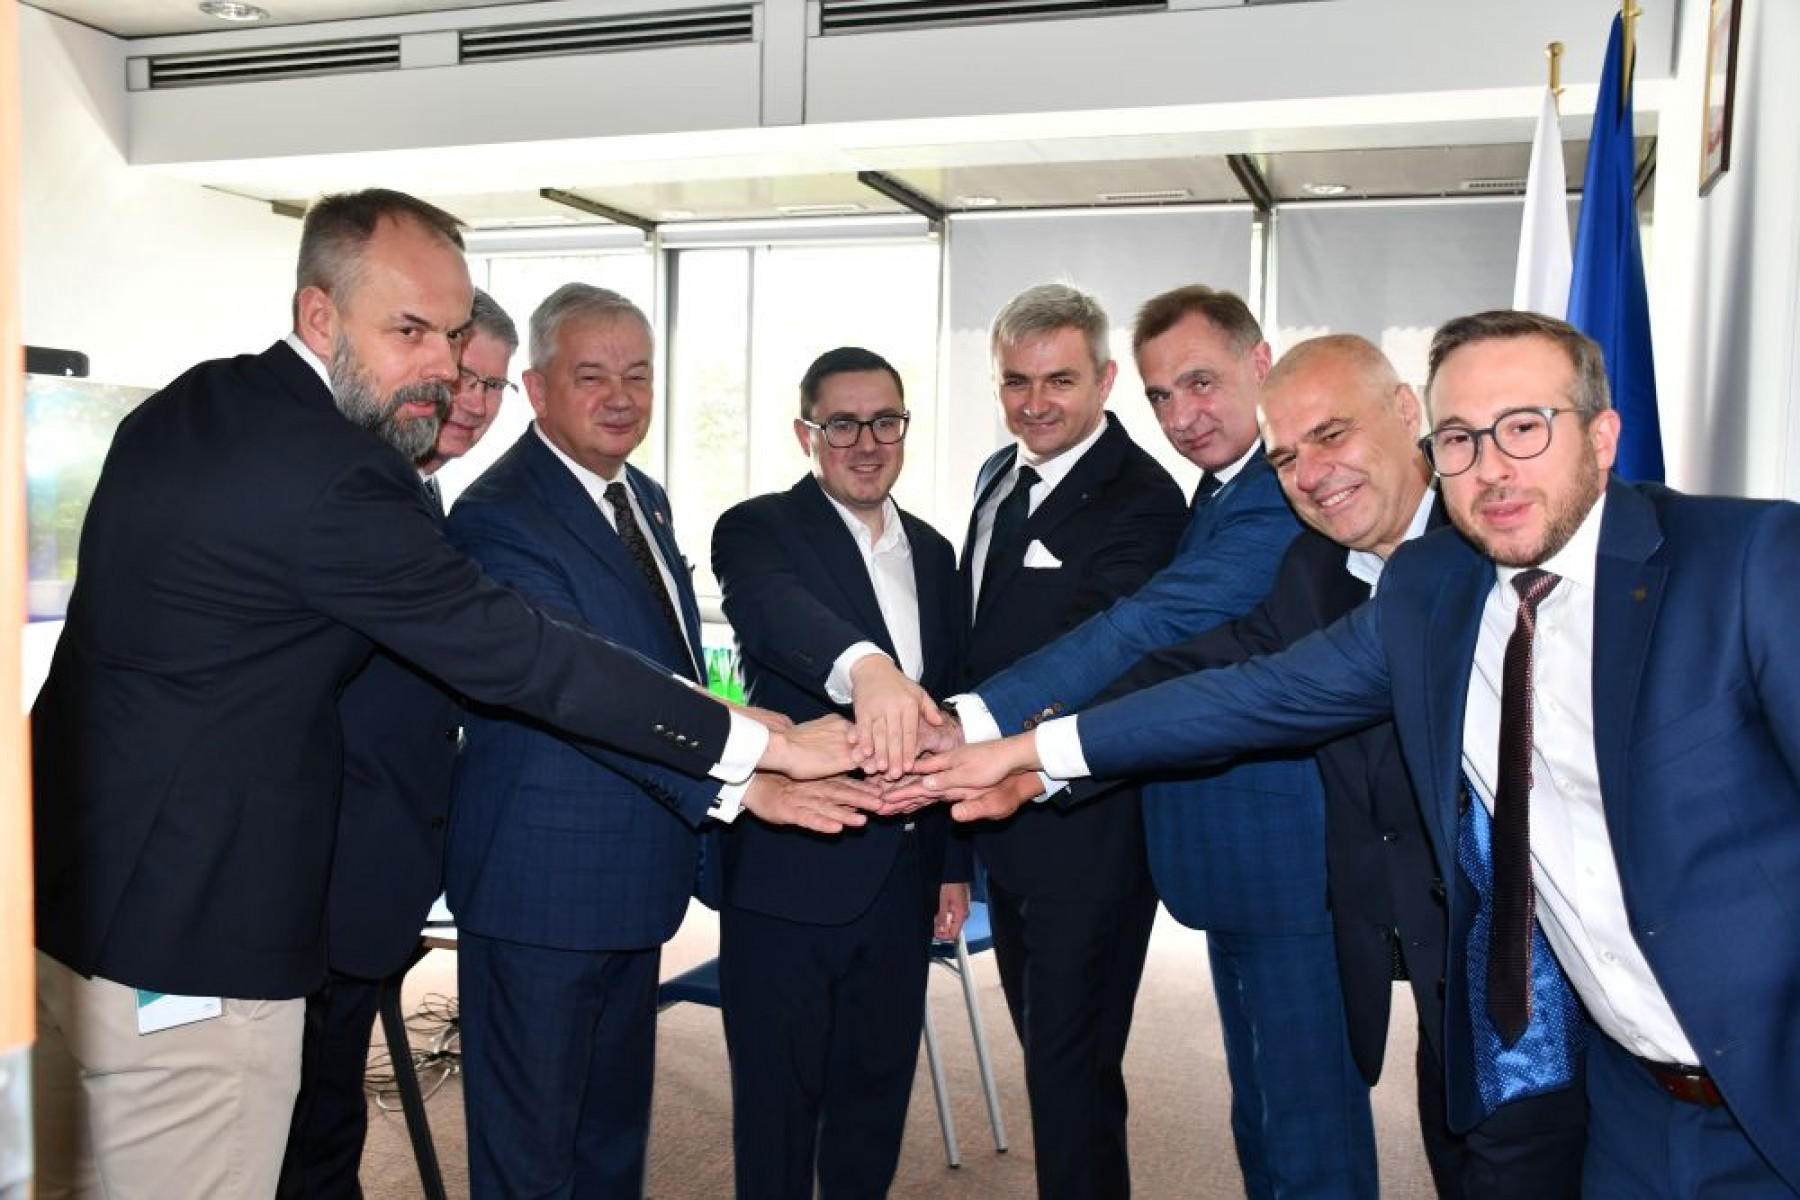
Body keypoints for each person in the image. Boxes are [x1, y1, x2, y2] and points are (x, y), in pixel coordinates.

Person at [29, 189, 864, 1200]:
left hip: (67, 893)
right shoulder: (342, 475)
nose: (442, 366)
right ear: (320, 316)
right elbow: (523, 655)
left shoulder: (199, 401)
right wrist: (757, 745)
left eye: (457, 334)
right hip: (195, 938)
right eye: (410, 331)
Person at [911, 310, 1800, 1199]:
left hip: (1763, 1070)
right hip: (1601, 1075)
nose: (1491, 468)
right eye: (1462, 439)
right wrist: (1033, 755)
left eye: (1523, 428)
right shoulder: (1434, 590)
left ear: (1601, 436)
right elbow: (1248, 691)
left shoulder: (1746, 562)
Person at [1059, 334, 1585, 1197]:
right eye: (1285, 457)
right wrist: (1045, 742)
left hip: (1561, 974)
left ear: (1407, 412)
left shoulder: (1494, 541)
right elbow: (1221, 671)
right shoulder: (1313, 567)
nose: (1309, 474)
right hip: (1444, 975)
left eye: (1332, 435)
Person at [950, 288, 1376, 1199]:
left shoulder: (1280, 497)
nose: (1183, 416)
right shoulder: (1220, 491)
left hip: (1289, 866)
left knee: (1309, 1133)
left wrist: (990, 730)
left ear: (1259, 365)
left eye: (1201, 383)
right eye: (1163, 396)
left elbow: (1152, 628)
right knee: (1264, 1119)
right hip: (1227, 859)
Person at [710, 346, 968, 1199]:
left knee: (874, 1100)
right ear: (806, 435)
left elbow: (953, 701)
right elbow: (776, 613)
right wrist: (867, 668)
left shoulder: (935, 553)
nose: (867, 442)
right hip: (793, 868)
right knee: (778, 1115)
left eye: (885, 421)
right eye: (843, 424)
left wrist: (953, 863)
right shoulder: (757, 530)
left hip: (905, 875)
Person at [277, 289, 519, 1200]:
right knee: (297, 1132)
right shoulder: (353, 494)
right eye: (460, 376)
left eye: (492, 386)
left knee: (328, 1116)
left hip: (376, 877)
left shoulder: (425, 498)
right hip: (311, 881)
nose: (472, 402)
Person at [956, 282, 1188, 1200]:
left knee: (1072, 1071)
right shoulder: (995, 474)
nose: (1036, 403)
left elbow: (1103, 653)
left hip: (1086, 831)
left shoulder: (1144, 499)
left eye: (1059, 380)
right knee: (1051, 1059)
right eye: (1016, 381)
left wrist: (980, 737)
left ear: (1105, 380)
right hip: (1002, 827)